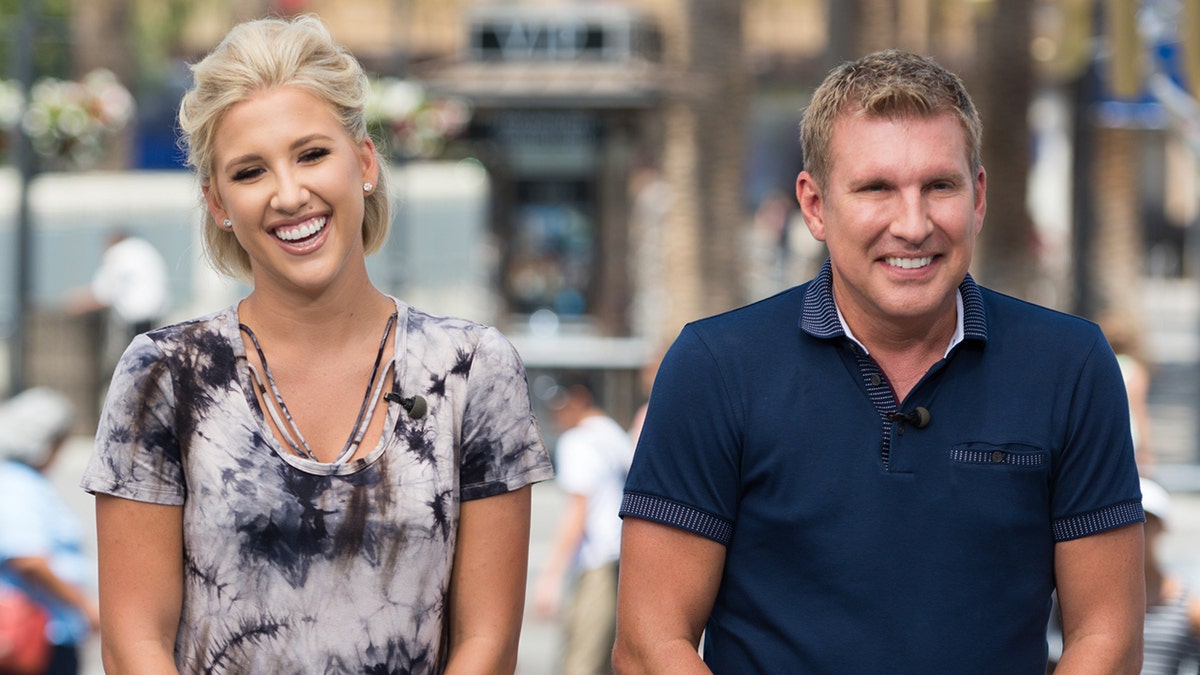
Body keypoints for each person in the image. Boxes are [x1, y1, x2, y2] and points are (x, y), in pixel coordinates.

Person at [614, 49, 1144, 673]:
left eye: (938, 186)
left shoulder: (1071, 366)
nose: (913, 224)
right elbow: (653, 644)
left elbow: (1107, 638)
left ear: (978, 197)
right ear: (814, 206)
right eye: (876, 189)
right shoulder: (714, 367)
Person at [80, 15, 553, 674]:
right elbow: (134, 644)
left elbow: (489, 643)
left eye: (311, 154)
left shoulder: (472, 368)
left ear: (363, 162)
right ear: (218, 202)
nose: (289, 193)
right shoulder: (165, 374)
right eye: (250, 172)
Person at [534, 376, 634, 674]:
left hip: (597, 565)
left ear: (579, 397)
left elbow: (577, 513)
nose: (553, 413)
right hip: (623, 561)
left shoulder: (577, 440)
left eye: (558, 403)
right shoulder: (613, 433)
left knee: (580, 663)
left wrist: (550, 578)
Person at [0, 387, 100, 675]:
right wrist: (83, 605)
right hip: (36, 638)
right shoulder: (19, 486)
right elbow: (27, 558)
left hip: (46, 634)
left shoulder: (20, 482)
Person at [1138, 477, 1200, 674]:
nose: (1137, 532)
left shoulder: (1189, 606)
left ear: (1162, 527)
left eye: (1145, 522)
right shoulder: (1092, 598)